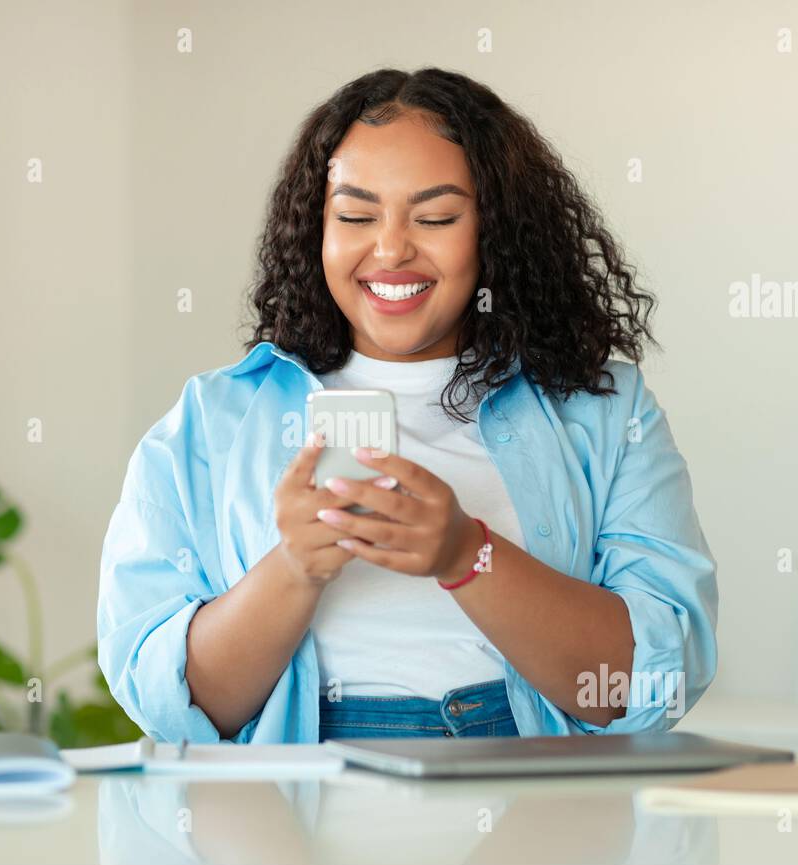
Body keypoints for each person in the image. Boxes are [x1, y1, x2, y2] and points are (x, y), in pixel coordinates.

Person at [97, 67, 718, 744]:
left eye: (436, 217)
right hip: (296, 811)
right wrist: (295, 568)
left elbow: (652, 684)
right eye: (357, 216)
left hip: (533, 796)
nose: (390, 248)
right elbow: (172, 708)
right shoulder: (209, 424)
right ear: (315, 229)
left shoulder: (604, 410)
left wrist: (465, 554)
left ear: (497, 232)